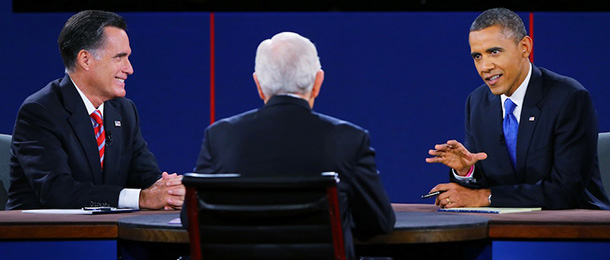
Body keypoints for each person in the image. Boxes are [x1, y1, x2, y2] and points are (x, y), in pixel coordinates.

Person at [189, 32, 395, 259]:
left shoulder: (219, 136)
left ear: (258, 85)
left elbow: (191, 219)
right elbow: (378, 222)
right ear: (318, 82)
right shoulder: (349, 139)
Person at [425, 7, 610, 210]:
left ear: (524, 47)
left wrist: (484, 197)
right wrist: (466, 170)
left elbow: (564, 191)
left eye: (494, 52)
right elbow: (482, 188)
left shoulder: (569, 98)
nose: (485, 66)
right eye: (477, 56)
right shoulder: (477, 103)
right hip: (507, 226)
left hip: (575, 228)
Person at [7, 10, 184, 210]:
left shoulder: (124, 111)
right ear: (85, 60)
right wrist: (143, 199)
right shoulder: (40, 111)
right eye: (120, 57)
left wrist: (169, 190)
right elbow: (57, 192)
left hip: (106, 233)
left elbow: (145, 176)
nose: (129, 68)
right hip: (41, 236)